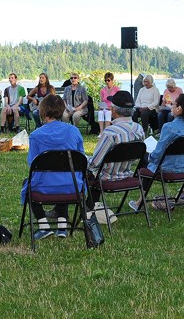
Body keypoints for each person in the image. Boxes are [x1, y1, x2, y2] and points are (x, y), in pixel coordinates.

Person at [22, 94, 85, 241]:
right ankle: (62, 226)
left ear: (43, 111)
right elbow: (81, 159)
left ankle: (44, 226)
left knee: (29, 184)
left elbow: (32, 163)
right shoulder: (74, 131)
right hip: (72, 186)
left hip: (44, 186)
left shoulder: (36, 135)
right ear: (62, 109)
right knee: (63, 176)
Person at [130, 93, 184, 211]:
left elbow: (158, 153)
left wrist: (150, 156)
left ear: (179, 109)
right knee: (152, 161)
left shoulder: (169, 127)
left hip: (168, 169)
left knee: (147, 160)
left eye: (173, 104)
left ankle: (139, 202)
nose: (171, 107)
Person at [87, 90, 145, 189]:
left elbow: (94, 164)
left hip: (106, 177)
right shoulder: (138, 129)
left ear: (114, 110)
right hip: (126, 173)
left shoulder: (111, 132)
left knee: (81, 164)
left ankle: (91, 203)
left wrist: (85, 159)